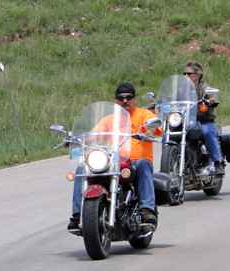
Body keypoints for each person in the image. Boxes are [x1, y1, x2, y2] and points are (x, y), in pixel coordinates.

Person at [68, 82, 161, 231]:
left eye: (128, 97)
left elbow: (153, 125)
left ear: (135, 99)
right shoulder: (109, 118)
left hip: (135, 161)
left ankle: (146, 209)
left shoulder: (144, 114)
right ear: (116, 101)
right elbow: (94, 134)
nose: (125, 100)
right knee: (82, 168)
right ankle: (78, 214)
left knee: (144, 164)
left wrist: (149, 132)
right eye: (121, 98)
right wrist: (76, 139)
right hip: (112, 160)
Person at [183, 61, 224, 176]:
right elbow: (171, 97)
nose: (186, 76)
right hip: (187, 122)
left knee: (208, 132)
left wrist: (212, 99)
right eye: (184, 73)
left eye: (189, 74)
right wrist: (159, 102)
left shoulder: (203, 87)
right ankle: (168, 166)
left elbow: (213, 95)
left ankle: (217, 162)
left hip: (204, 122)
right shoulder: (182, 89)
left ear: (198, 75)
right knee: (169, 135)